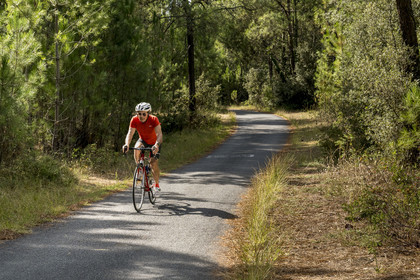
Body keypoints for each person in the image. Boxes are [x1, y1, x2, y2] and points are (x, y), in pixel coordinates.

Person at [122, 102, 163, 192]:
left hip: (154, 142)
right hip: (143, 140)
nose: (141, 116)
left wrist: (156, 145)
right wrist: (127, 144)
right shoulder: (134, 120)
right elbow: (130, 133)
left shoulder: (153, 119)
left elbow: (159, 134)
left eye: (144, 114)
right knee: (136, 148)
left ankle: (156, 184)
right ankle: (139, 168)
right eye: (139, 113)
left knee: (153, 163)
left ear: (148, 113)